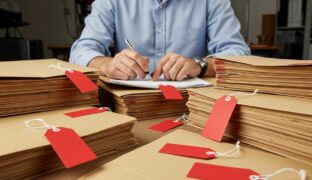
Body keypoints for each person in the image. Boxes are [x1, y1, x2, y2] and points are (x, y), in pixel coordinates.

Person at [70, 0, 250, 81]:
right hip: (129, 104)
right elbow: (81, 50)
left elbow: (239, 54)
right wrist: (106, 64)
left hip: (193, 105)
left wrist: (200, 64)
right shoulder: (111, 1)